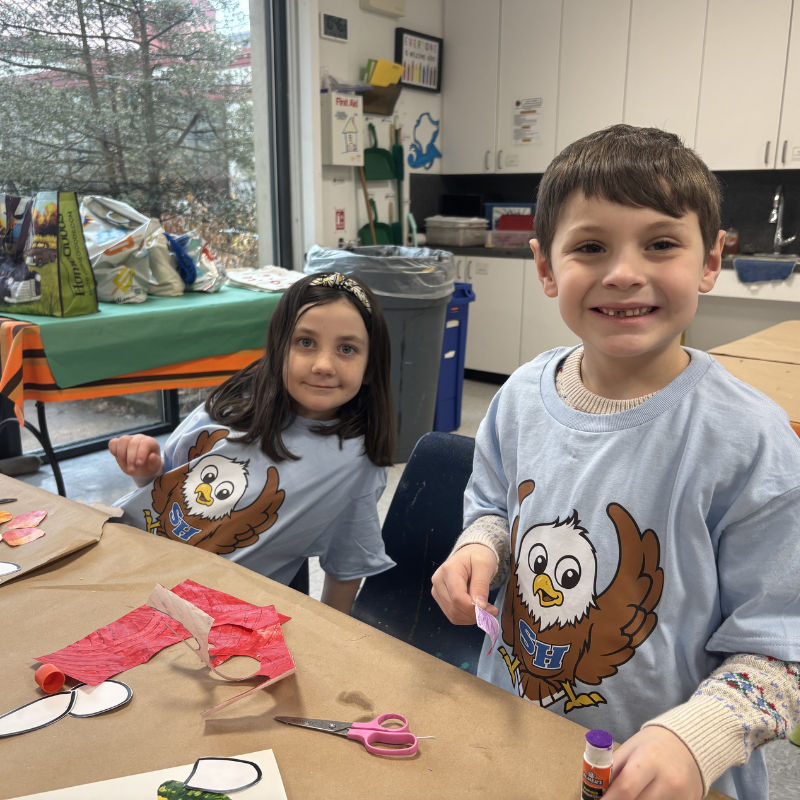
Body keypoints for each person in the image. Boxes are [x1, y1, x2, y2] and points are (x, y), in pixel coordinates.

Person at [431, 125, 800, 800]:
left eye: (661, 244)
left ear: (712, 259)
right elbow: (491, 509)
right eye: (591, 246)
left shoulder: (752, 440)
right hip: (516, 744)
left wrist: (699, 735)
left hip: (672, 780)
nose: (624, 272)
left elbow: (783, 649)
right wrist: (478, 547)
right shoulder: (517, 399)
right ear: (546, 267)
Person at [110, 272, 396, 614]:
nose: (323, 365)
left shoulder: (354, 462)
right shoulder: (231, 406)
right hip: (120, 562)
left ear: (370, 369)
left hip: (201, 616)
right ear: (278, 348)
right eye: (306, 342)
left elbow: (346, 567)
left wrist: (333, 645)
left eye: (347, 349)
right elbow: (158, 491)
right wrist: (146, 468)